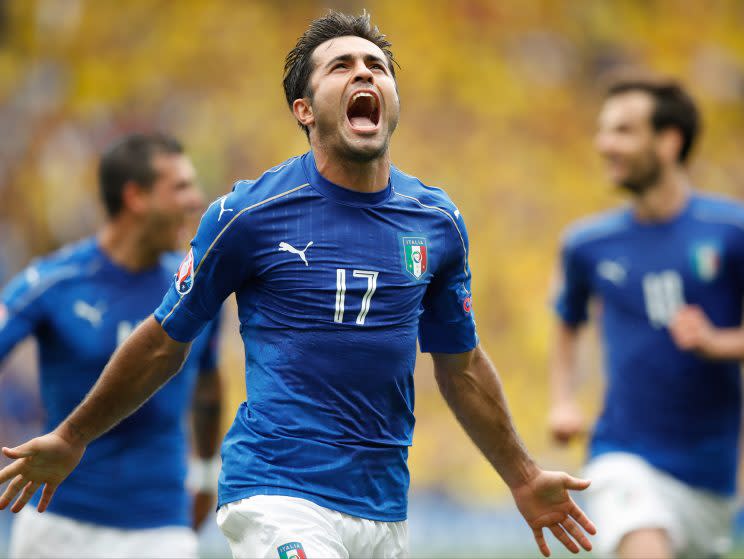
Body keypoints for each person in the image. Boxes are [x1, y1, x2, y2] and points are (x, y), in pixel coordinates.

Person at [0, 12, 595, 559]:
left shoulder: (436, 222)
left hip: (382, 507)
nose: (365, 73)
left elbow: (460, 367)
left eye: (378, 67)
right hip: (276, 492)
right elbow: (164, 342)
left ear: (392, 100)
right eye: (342, 66)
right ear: (304, 109)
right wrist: (73, 436)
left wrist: (522, 475)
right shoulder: (248, 213)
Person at [0, 133, 223, 558]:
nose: (196, 201)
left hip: (160, 529)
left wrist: (208, 473)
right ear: (135, 196)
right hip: (57, 523)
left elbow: (210, 383)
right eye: (180, 187)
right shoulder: (55, 280)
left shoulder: (194, 290)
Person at [549, 76, 743, 559]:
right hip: (624, 457)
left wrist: (716, 343)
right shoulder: (587, 244)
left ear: (669, 141)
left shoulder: (732, 231)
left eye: (622, 131)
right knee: (644, 542)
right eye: (604, 130)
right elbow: (566, 319)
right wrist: (563, 400)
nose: (604, 144)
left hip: (711, 477)